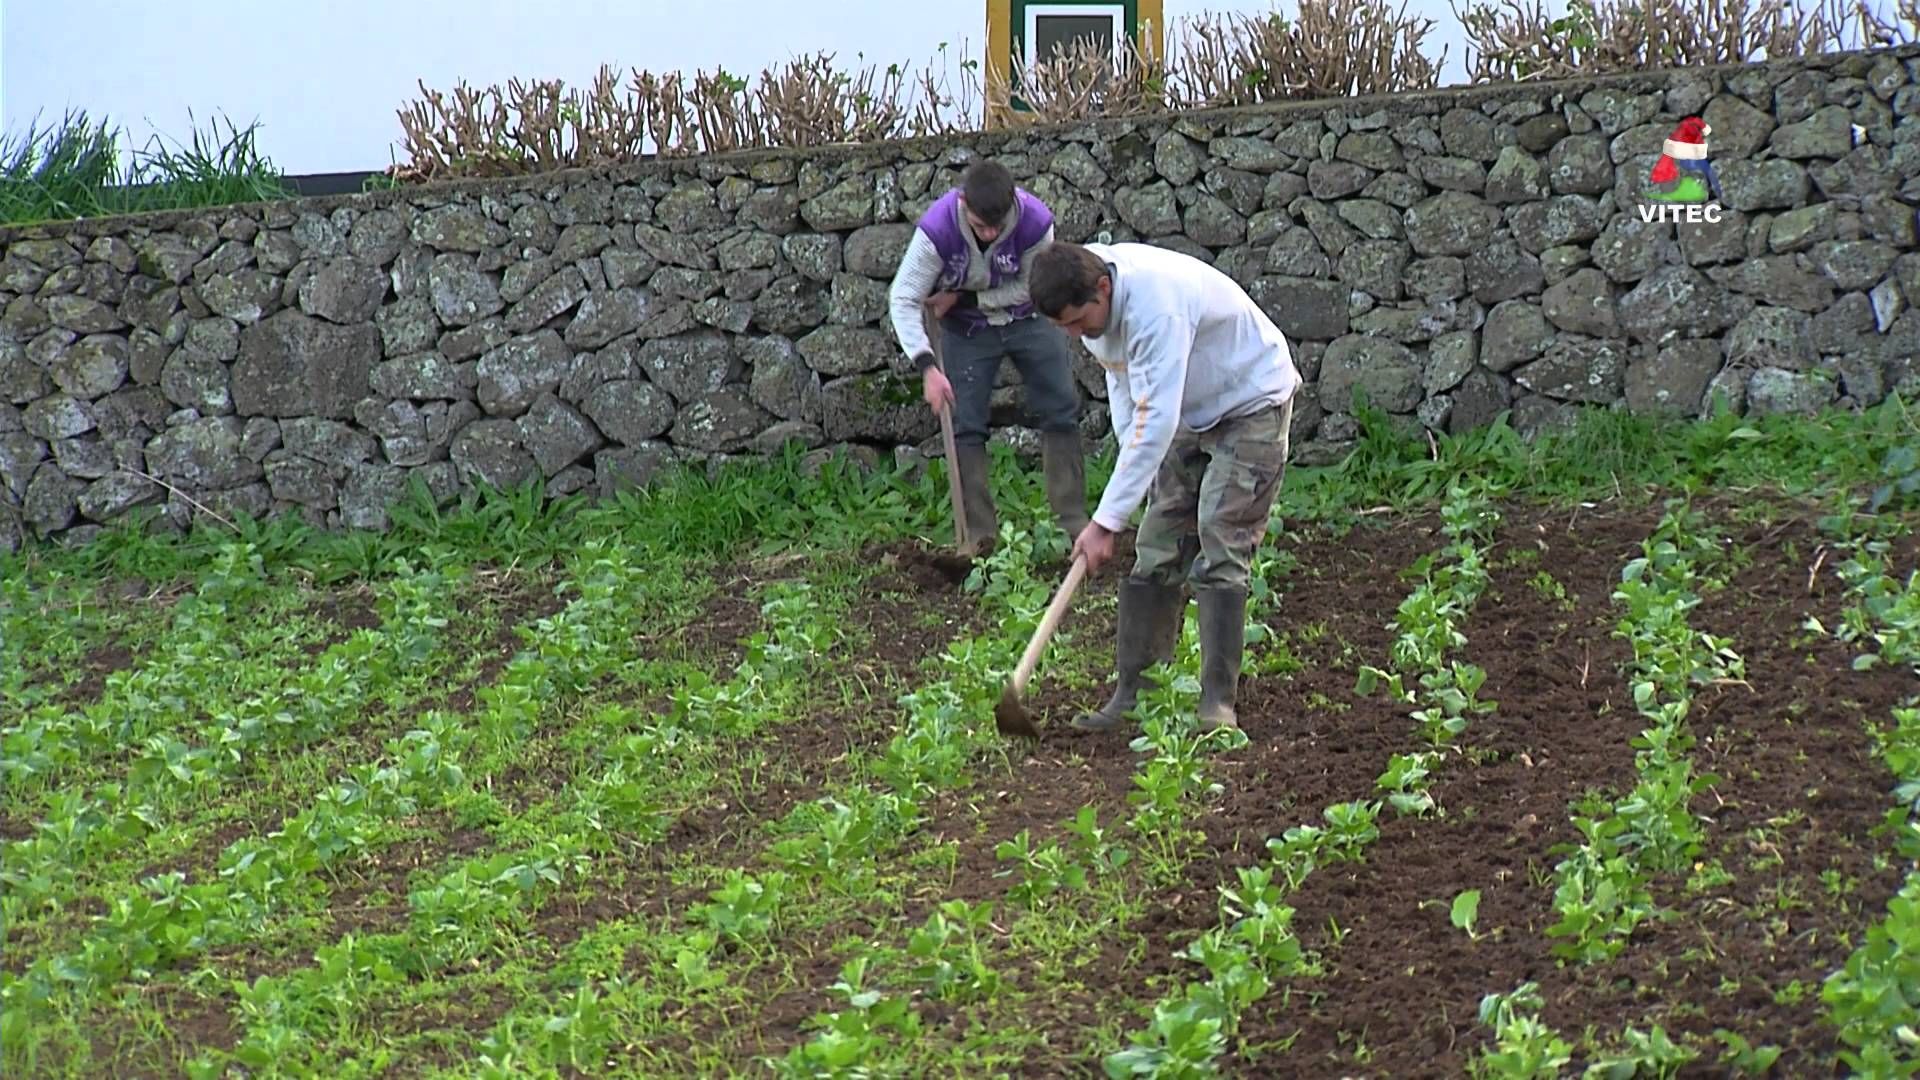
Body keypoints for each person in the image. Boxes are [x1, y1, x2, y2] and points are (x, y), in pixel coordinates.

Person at [1027, 239, 1302, 733]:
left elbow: (1155, 419)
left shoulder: (1156, 306)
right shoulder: (1084, 296)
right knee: (1157, 543)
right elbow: (1125, 393)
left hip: (1250, 401)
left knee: (1221, 536)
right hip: (1184, 408)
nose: (1073, 334)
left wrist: (1106, 522)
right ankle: (1135, 696)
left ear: (1103, 288)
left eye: (1077, 322)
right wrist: (1127, 490)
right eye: (1062, 326)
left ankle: (1216, 704)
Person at [886, 159, 1089, 556]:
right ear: (963, 203)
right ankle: (978, 541)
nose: (992, 233)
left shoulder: (1036, 223)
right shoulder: (937, 231)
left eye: (998, 224)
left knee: (1061, 409)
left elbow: (1032, 287)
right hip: (966, 332)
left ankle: (1072, 526)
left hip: (1030, 319)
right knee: (965, 424)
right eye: (982, 226)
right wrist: (927, 366)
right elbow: (904, 297)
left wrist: (966, 298)